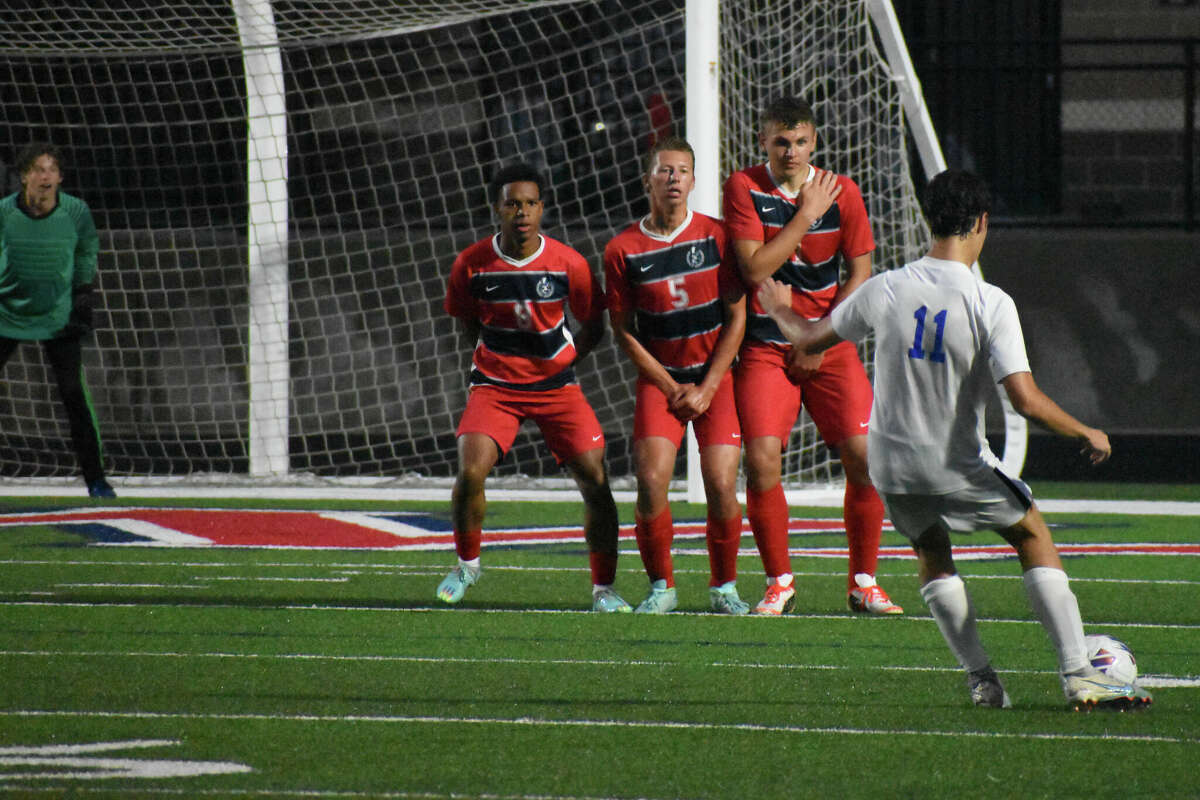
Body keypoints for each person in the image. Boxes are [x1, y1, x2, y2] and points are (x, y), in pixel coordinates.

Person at [756, 169, 1153, 710]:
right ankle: (1079, 671)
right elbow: (1025, 399)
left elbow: (807, 338)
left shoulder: (886, 287)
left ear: (930, 220)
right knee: (1031, 532)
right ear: (982, 223)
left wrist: (780, 306)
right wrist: (1085, 430)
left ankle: (983, 682)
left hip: (890, 465)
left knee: (932, 550)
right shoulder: (990, 301)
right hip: (955, 462)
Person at [722, 96, 900, 615]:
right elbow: (755, 271)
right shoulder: (744, 187)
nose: (792, 151)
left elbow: (860, 274)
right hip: (766, 347)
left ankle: (864, 581)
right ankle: (780, 582)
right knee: (760, 462)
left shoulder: (844, 192)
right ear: (764, 141)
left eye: (801, 141)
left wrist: (821, 337)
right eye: (781, 141)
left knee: (866, 459)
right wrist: (805, 216)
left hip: (830, 344)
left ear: (815, 142)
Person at [439, 163, 630, 612]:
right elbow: (465, 321)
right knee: (470, 473)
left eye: (529, 203)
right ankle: (467, 564)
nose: (521, 212)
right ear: (497, 209)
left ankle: (604, 589)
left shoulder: (569, 263)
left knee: (596, 481)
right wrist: (490, 361)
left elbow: (593, 325)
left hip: (556, 388)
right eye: (512, 204)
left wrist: (563, 362)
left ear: (541, 208)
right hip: (495, 388)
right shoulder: (472, 263)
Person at [603, 136, 748, 614]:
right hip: (661, 382)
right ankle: (661, 587)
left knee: (723, 484)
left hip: (715, 379)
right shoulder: (622, 249)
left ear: (693, 180)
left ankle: (724, 587)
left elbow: (737, 318)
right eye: (664, 170)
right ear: (647, 180)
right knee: (650, 480)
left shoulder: (717, 235)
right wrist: (670, 387)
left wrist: (707, 387)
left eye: (682, 171)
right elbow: (623, 332)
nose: (673, 179)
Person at [0, 143, 115, 498]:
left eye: (50, 169)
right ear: (23, 177)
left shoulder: (76, 211)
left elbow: (86, 249)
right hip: (7, 312)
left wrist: (83, 291)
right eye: (36, 169)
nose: (44, 175)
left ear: (60, 177)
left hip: (58, 315)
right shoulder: (4, 212)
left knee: (73, 394)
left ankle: (96, 480)